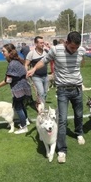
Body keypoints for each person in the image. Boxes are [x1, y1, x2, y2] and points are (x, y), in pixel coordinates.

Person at [27, 31, 86, 163]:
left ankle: (79, 133)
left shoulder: (81, 50)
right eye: (71, 48)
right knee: (62, 120)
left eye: (76, 48)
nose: (74, 50)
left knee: (79, 114)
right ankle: (61, 150)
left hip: (77, 89)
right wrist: (34, 69)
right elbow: (44, 60)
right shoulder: (55, 50)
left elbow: (82, 60)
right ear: (66, 43)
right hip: (63, 91)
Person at [0, 43, 32, 134]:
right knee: (21, 105)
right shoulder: (18, 61)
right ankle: (26, 121)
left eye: (3, 51)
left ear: (10, 53)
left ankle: (24, 126)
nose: (2, 53)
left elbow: (7, 80)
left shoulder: (12, 64)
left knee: (18, 107)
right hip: (25, 87)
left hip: (19, 89)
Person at [25, 36, 49, 104]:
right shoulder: (31, 53)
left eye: (43, 42)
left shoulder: (46, 52)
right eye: (41, 43)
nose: (42, 44)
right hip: (36, 77)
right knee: (41, 92)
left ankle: (39, 104)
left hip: (45, 76)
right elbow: (26, 64)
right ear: (36, 44)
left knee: (45, 93)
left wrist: (49, 46)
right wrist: (26, 73)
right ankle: (42, 109)